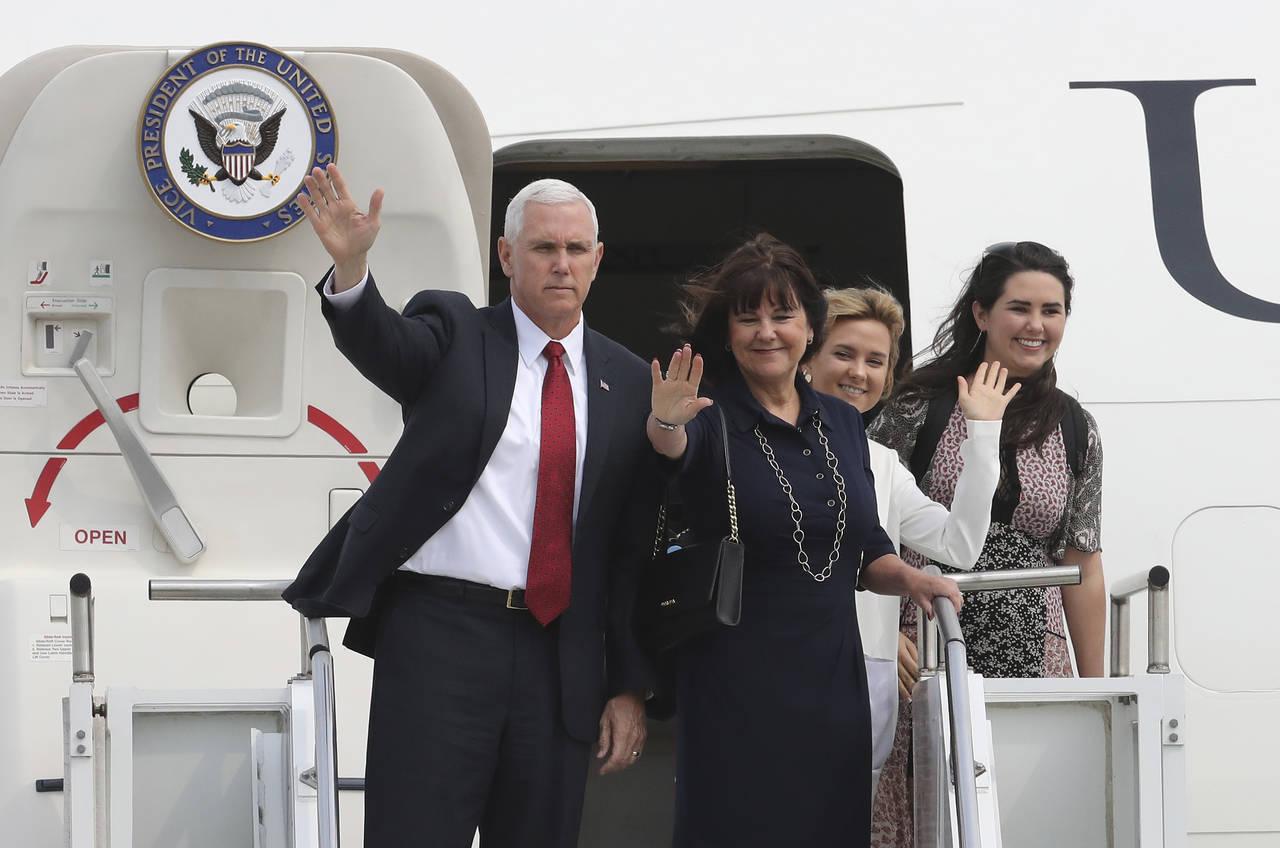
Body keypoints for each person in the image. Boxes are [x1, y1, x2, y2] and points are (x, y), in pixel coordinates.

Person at [281, 164, 658, 848]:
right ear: (507, 256)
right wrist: (353, 271)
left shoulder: (631, 381)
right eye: (543, 247)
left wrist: (629, 685)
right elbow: (386, 346)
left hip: (559, 650)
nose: (562, 264)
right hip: (441, 635)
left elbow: (627, 550)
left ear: (598, 260)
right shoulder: (456, 332)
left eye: (576, 249)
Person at [647, 234, 962, 847]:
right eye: (748, 317)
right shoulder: (707, 412)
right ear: (728, 332)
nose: (766, 332)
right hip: (735, 678)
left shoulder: (841, 420)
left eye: (782, 315)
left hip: (832, 676)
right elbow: (673, 452)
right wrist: (664, 421)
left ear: (810, 327)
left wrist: (913, 579)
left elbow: (866, 547)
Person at [866, 241, 1105, 847]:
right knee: (925, 816)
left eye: (1052, 310)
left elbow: (1082, 562)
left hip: (1036, 650)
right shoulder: (916, 408)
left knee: (1030, 816)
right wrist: (881, 635)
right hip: (926, 646)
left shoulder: (1075, 426)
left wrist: (1095, 689)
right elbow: (861, 531)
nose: (1035, 325)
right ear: (981, 313)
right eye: (1019, 307)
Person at [803, 286, 1017, 794]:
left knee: (845, 819)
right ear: (807, 358)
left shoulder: (883, 463)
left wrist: (983, 434)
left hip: (868, 673)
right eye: (844, 353)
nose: (859, 372)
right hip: (784, 663)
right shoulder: (760, 443)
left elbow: (959, 545)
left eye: (875, 361)